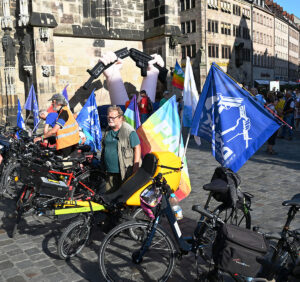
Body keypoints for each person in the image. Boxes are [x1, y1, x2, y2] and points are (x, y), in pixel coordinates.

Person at [101, 106, 141, 193]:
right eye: (108, 117)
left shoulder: (129, 131)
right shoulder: (108, 130)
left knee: (124, 195)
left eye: (113, 117)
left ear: (120, 118)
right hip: (110, 171)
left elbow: (137, 147)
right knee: (110, 195)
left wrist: (136, 165)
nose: (110, 119)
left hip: (124, 172)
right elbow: (104, 147)